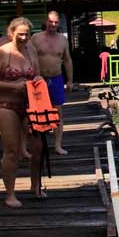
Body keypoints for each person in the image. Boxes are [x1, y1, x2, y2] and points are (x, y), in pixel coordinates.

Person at [0, 17, 44, 207]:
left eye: (27, 34)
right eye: (20, 34)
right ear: (11, 33)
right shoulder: (2, 53)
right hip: (6, 106)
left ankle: (35, 185)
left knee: (38, 147)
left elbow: (36, 73)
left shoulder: (31, 51)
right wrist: (14, 86)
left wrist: (37, 80)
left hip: (31, 105)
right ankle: (10, 194)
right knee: (11, 150)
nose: (24, 38)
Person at [31, 10, 72, 156]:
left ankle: (58, 145)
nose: (53, 25)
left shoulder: (63, 40)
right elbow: (29, 58)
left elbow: (67, 60)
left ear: (59, 23)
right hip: (39, 79)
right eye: (50, 22)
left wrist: (70, 80)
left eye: (56, 22)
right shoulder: (35, 38)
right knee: (38, 113)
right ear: (45, 21)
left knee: (58, 113)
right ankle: (38, 145)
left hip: (56, 78)